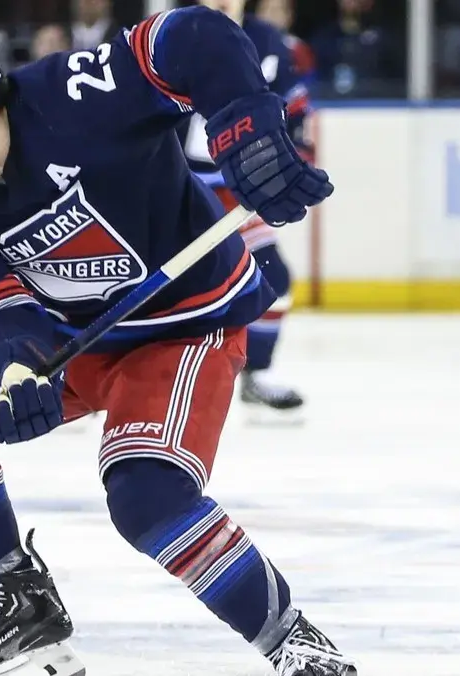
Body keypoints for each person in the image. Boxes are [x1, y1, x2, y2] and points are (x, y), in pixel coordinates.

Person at [0, 10, 354, 676]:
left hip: (183, 324)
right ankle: (19, 598)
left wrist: (242, 124)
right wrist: (10, 363)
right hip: (68, 338)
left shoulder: (74, 95)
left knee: (147, 496)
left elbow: (195, 36)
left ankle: (291, 639)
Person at [186, 0, 318, 418]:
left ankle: (256, 375)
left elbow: (294, 107)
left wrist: (296, 157)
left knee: (273, 276)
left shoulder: (267, 40)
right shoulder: (169, 36)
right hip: (177, 186)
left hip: (238, 188)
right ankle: (84, 380)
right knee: (130, 283)